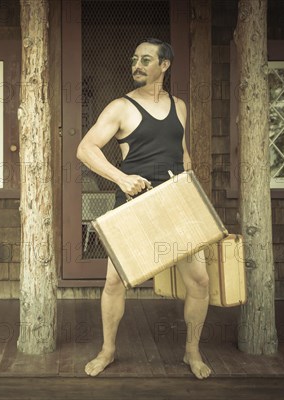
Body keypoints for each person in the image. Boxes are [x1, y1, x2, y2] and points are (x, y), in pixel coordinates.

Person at [76, 38, 212, 380]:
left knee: (199, 281)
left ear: (164, 65)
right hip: (134, 205)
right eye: (134, 58)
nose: (137, 64)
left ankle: (192, 352)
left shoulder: (179, 106)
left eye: (146, 59)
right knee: (113, 283)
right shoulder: (119, 107)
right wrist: (121, 179)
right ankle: (108, 350)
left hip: (177, 204)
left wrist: (192, 194)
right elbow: (85, 149)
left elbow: (183, 156)